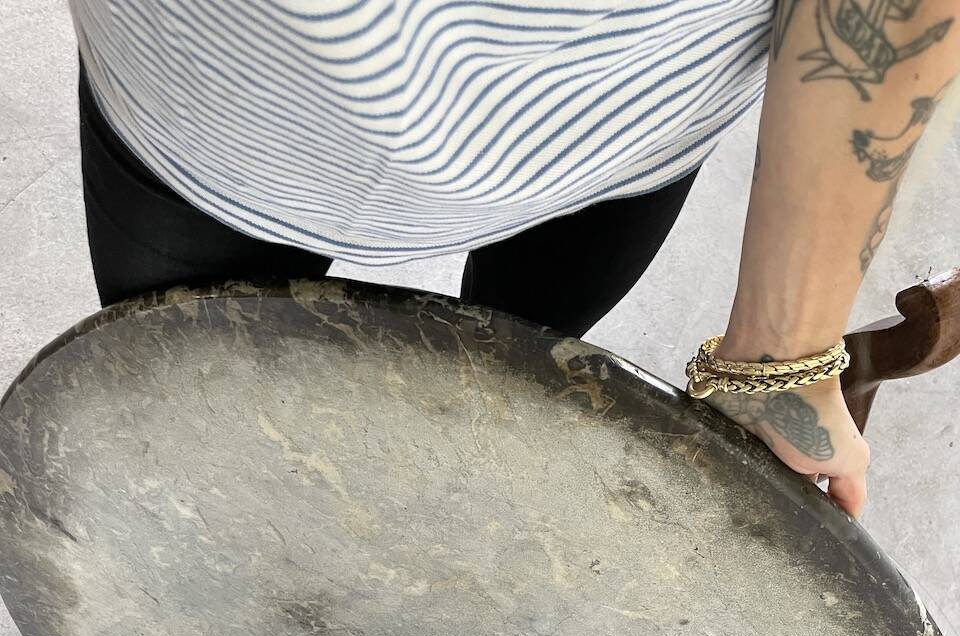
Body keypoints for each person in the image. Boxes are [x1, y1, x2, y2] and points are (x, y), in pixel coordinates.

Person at [71, 0, 960, 517]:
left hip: (609, 107)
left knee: (515, 380)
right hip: (203, 85)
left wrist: (781, 356)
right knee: (187, 420)